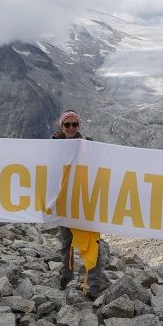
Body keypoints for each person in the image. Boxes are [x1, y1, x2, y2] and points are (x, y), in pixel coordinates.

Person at [51, 110, 111, 299]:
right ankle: (66, 277)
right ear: (61, 126)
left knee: (91, 243)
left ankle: (94, 284)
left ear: (79, 125)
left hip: (85, 202)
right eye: (67, 125)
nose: (71, 128)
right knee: (66, 243)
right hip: (65, 201)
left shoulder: (88, 144)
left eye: (74, 124)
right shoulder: (53, 146)